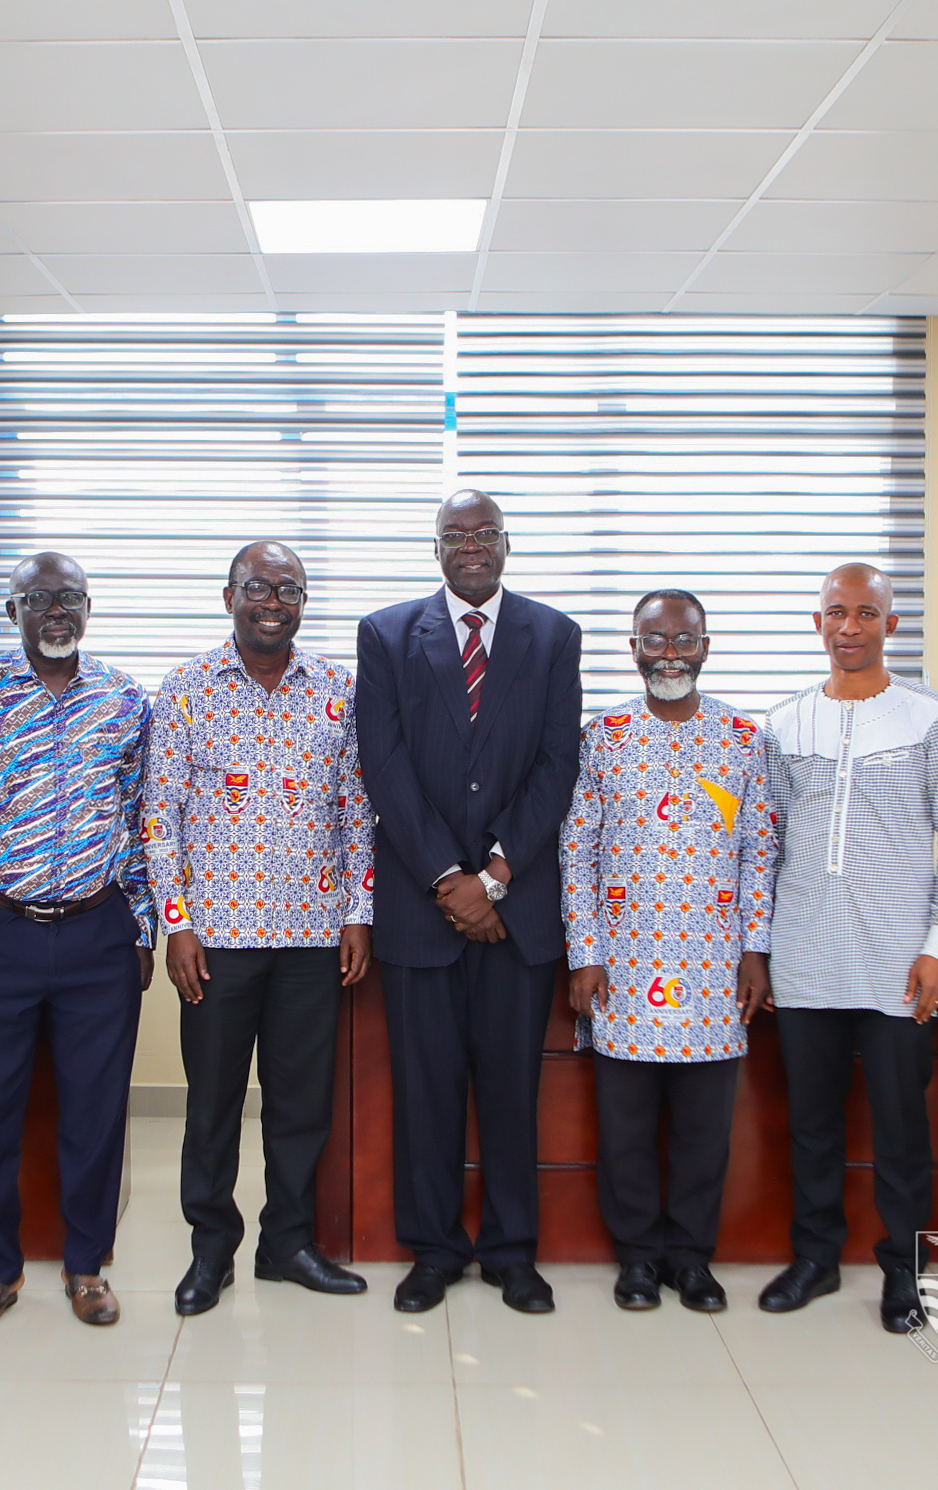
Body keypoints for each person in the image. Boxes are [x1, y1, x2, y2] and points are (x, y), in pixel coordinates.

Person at [356, 490, 583, 1316]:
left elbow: (557, 766)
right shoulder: (385, 635)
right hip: (421, 911)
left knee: (510, 1091)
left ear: (506, 544)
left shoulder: (553, 636)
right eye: (456, 535)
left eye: (485, 533)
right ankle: (433, 1251)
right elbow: (382, 767)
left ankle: (511, 1253)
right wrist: (447, 877)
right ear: (437, 548)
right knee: (425, 1091)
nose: (471, 546)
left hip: (515, 910)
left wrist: (492, 876)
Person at [0, 553, 156, 1333]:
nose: (57, 611)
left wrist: (142, 926)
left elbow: (138, 824)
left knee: (95, 1110)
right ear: (11, 609)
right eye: (39, 599)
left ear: (89, 609)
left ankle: (86, 1266)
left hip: (97, 933)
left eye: (70, 599)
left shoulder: (124, 700)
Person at [152, 542, 375, 1315]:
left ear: (303, 602)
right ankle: (210, 1252)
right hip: (215, 942)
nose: (272, 601)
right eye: (257, 587)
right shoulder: (183, 691)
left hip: (312, 938)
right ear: (228, 597)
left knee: (300, 1103)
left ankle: (288, 1245)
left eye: (288, 588)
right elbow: (160, 818)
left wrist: (356, 913)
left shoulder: (337, 693)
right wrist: (176, 927)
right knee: (212, 1104)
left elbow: (357, 813)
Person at [758, 563, 938, 1334]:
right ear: (815, 622)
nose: (848, 627)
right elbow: (772, 839)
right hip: (805, 953)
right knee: (810, 1121)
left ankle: (903, 1274)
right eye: (834, 613)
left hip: (898, 959)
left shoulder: (931, 717)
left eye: (865, 613)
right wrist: (763, 949)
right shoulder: (782, 723)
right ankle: (814, 1258)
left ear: (891, 623)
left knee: (898, 1126)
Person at [561, 590, 775, 1314]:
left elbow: (758, 853)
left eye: (684, 640)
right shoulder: (603, 738)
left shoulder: (744, 740)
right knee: (623, 1131)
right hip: (623, 965)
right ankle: (636, 1260)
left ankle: (690, 1258)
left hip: (714, 971)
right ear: (633, 649)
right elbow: (577, 854)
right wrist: (584, 954)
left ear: (705, 647)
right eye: (655, 640)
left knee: (700, 1134)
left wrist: (755, 949)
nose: (670, 654)